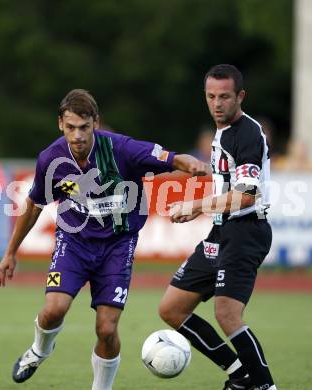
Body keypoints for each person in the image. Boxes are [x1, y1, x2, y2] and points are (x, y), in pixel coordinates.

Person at [0, 89, 209, 389]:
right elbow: (34, 205)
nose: (78, 135)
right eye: (70, 127)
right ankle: (39, 350)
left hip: (118, 246)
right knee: (53, 309)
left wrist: (193, 166)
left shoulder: (123, 149)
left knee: (107, 329)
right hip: (74, 241)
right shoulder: (51, 158)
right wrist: (11, 252)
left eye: (84, 127)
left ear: (95, 123)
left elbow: (173, 158)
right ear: (60, 124)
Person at [159, 64, 277, 390]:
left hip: (246, 231)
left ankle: (265, 386)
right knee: (172, 309)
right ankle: (240, 375)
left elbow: (246, 196)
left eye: (225, 96)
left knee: (226, 314)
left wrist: (195, 206)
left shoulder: (249, 133)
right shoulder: (222, 131)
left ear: (241, 96)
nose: (217, 104)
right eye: (211, 96)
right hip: (221, 232)